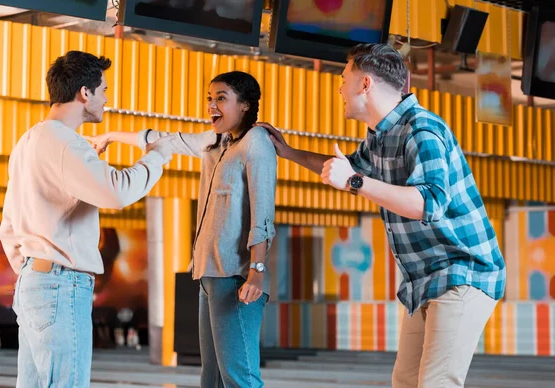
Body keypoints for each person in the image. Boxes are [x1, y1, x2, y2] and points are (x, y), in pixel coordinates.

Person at [257, 43, 506, 388]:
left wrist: (355, 182)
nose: (340, 88)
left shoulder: (421, 129)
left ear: (366, 84)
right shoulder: (380, 135)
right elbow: (346, 169)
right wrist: (287, 152)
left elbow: (427, 203)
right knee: (404, 381)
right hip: (425, 279)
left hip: (464, 271)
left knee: (436, 382)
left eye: (344, 78)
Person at [88, 71, 277, 388]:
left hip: (236, 275)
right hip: (209, 274)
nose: (211, 105)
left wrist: (257, 270)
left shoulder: (256, 143)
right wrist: (110, 136)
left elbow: (263, 212)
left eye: (221, 98)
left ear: (245, 105)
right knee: (212, 377)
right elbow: (163, 139)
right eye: (209, 97)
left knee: (239, 376)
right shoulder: (214, 143)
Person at [0, 50, 173, 387]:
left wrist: (34, 269)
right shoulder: (65, 143)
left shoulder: (29, 141)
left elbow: (9, 225)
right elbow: (117, 192)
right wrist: (156, 158)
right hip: (60, 284)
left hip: (35, 282)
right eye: (104, 90)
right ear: (85, 93)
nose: (107, 99)